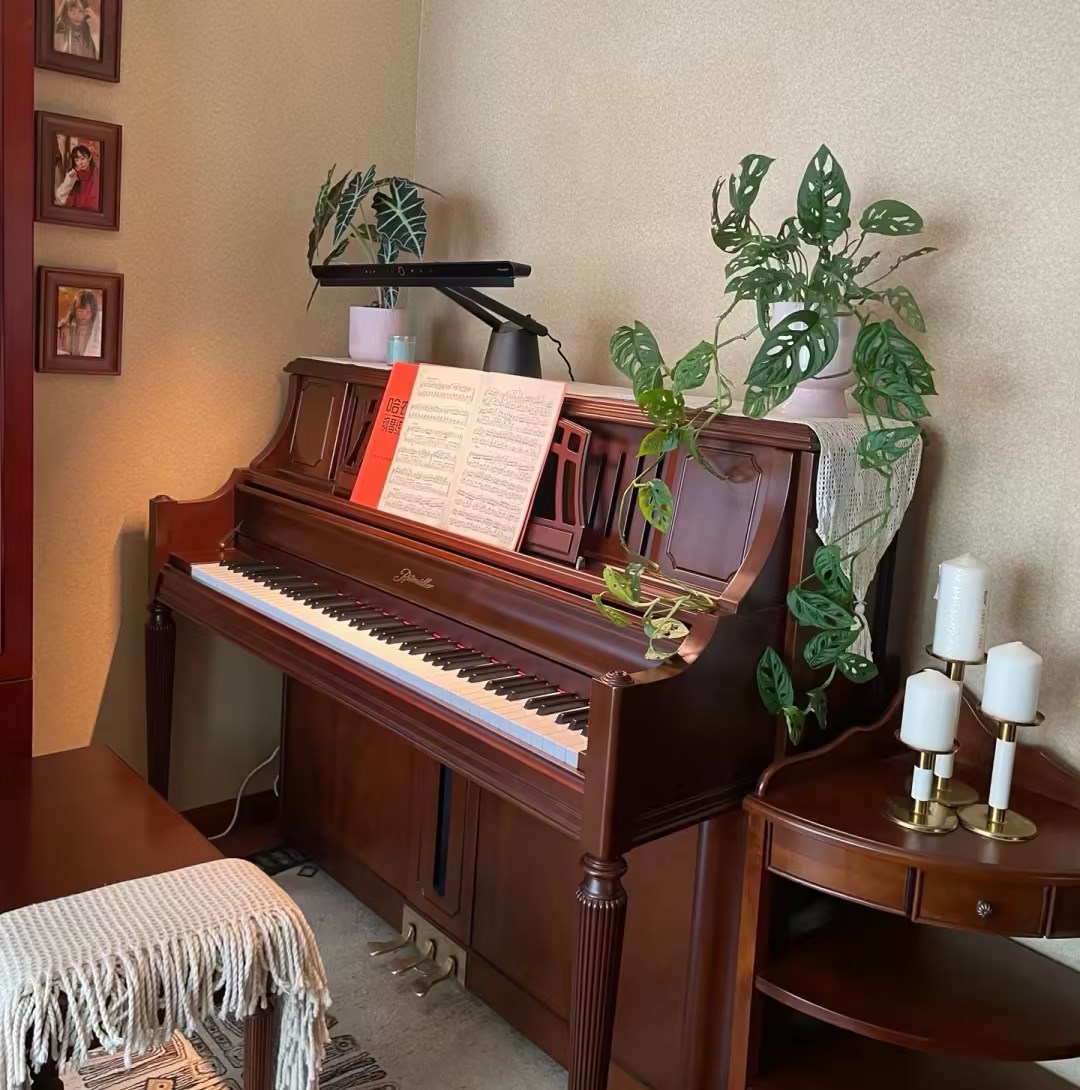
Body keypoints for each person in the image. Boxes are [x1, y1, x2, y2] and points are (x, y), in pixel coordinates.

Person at [56, 290, 103, 358]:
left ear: (93, 312)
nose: (84, 316)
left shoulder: (97, 330)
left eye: (88, 312)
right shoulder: (64, 328)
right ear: (74, 310)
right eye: (80, 311)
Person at [54, 144, 100, 211]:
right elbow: (60, 196)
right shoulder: (73, 174)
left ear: (89, 158)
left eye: (82, 159)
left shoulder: (96, 174)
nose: (80, 163)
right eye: (76, 160)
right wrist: (70, 180)